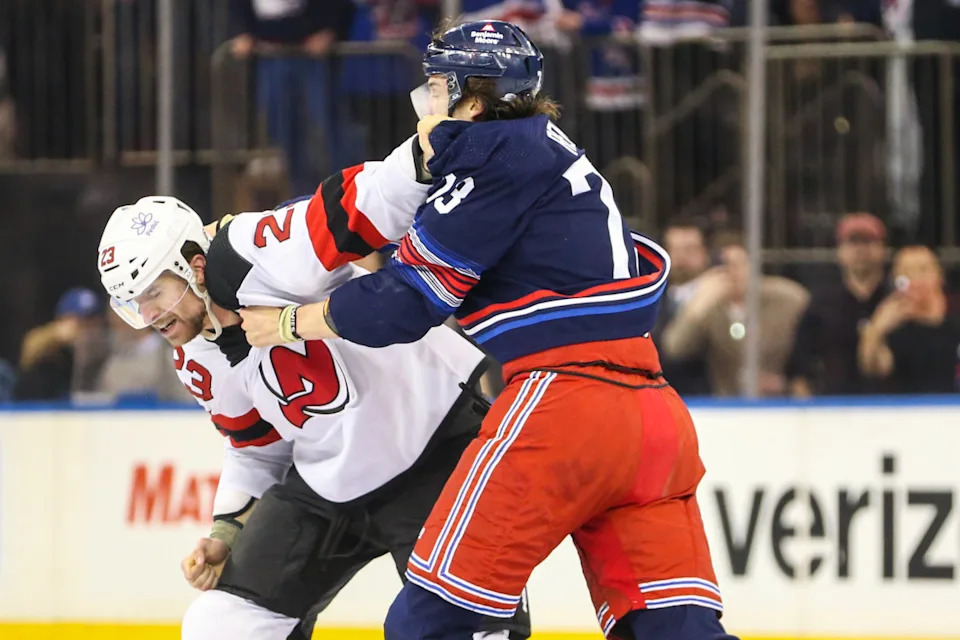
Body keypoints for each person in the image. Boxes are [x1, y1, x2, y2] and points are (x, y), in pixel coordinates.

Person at [239, 20, 735, 640]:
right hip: (654, 419)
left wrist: (289, 322)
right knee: (674, 632)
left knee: (430, 625)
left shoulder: (492, 152)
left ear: (474, 94)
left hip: (564, 408)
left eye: (439, 85)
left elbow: (404, 303)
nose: (428, 100)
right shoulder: (551, 151)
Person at [96, 135, 529, 640]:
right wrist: (224, 532)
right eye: (133, 302)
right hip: (328, 485)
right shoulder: (193, 354)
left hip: (436, 448)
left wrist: (428, 149)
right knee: (220, 626)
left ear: (192, 266)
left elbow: (354, 204)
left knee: (464, 632)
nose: (148, 316)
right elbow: (256, 448)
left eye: (154, 292)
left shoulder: (251, 249)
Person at [661, 232, 809, 397]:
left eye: (740, 264)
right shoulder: (709, 308)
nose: (733, 273)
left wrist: (787, 383)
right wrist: (698, 304)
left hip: (781, 402)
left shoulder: (784, 299)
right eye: (725, 266)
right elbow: (674, 348)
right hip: (726, 405)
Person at [787, 213, 889, 396]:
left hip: (893, 408)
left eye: (868, 242)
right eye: (853, 243)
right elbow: (799, 366)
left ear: (882, 249)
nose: (861, 250)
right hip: (834, 408)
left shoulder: (894, 301)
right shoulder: (821, 304)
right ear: (839, 251)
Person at [859, 245, 960, 394]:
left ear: (939, 275)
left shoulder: (955, 314)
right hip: (910, 412)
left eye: (923, 270)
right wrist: (876, 329)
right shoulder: (894, 327)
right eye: (906, 273)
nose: (916, 280)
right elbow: (874, 367)